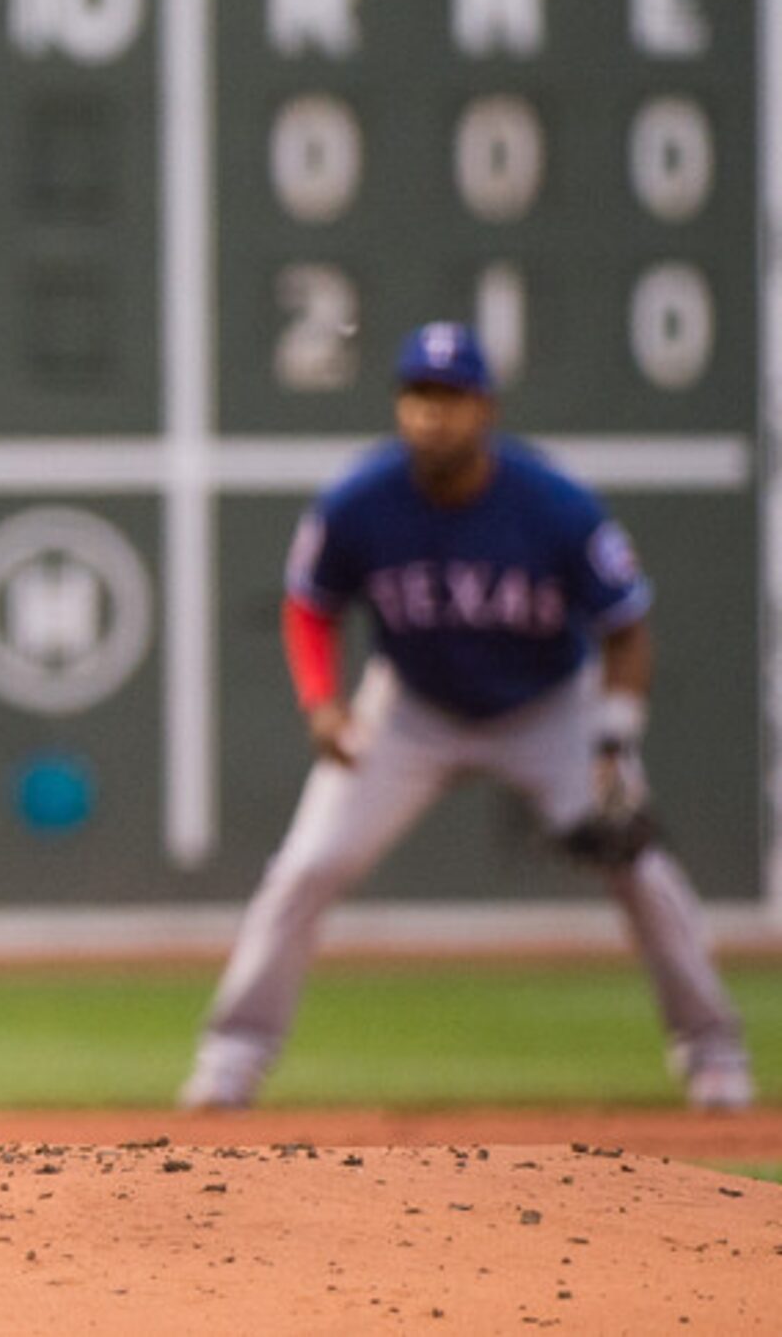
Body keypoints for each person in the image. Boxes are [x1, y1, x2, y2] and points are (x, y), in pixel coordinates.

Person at [181, 322, 755, 1112]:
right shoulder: (360, 503)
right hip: (412, 708)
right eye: (419, 395)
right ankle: (231, 1060)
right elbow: (311, 606)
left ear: (485, 408)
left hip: (549, 709)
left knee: (642, 870)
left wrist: (613, 740)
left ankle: (714, 1054)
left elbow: (625, 629)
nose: (432, 414)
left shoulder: (553, 505)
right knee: (307, 868)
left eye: (451, 397)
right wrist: (321, 701)